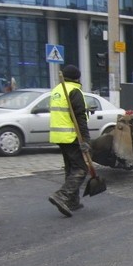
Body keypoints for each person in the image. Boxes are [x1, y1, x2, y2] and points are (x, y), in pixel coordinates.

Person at [48, 64, 91, 217]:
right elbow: (79, 117)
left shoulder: (57, 91)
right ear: (77, 78)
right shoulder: (74, 91)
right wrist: (85, 139)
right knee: (81, 169)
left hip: (58, 136)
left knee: (70, 168)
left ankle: (72, 201)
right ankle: (62, 195)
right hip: (72, 136)